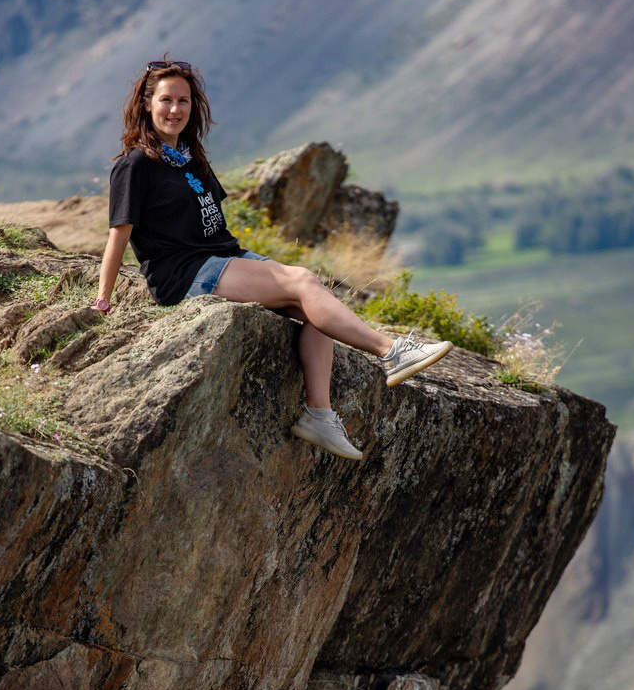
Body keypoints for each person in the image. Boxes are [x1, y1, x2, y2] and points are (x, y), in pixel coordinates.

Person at [93, 57, 452, 460]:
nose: (175, 110)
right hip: (185, 274)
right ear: (146, 104)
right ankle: (392, 352)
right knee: (301, 281)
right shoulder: (136, 165)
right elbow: (119, 233)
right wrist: (103, 298)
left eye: (184, 101)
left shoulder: (191, 158)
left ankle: (318, 414)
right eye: (166, 100)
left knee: (317, 302)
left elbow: (209, 224)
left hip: (222, 258)